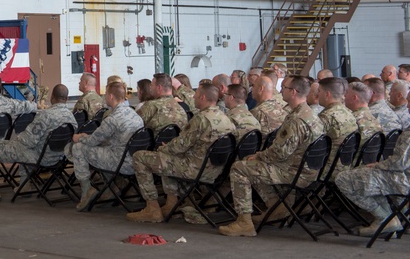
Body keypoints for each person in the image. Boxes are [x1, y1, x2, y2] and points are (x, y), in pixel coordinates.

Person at [218, 75, 325, 237]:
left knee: (240, 167)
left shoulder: (296, 119)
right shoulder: (309, 114)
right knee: (253, 165)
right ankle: (278, 208)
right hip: (309, 169)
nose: (280, 90)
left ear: (294, 92)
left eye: (284, 88)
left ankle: (244, 222)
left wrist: (259, 155)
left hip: (296, 172)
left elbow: (279, 153)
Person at [127, 82, 235, 223]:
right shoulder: (226, 118)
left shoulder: (201, 119)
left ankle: (152, 208)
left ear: (202, 97)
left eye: (196, 95)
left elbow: (180, 146)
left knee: (140, 157)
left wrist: (162, 148)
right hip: (215, 170)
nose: (194, 98)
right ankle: (172, 204)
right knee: (166, 158)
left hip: (194, 169)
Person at [0, 84, 75, 203]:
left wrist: (17, 139)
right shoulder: (71, 117)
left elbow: (27, 141)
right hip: (58, 158)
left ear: (52, 98)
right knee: (26, 148)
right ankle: (25, 186)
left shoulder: (46, 115)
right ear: (66, 99)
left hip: (40, 158)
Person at [68, 80, 145, 211]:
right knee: (101, 149)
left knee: (78, 148)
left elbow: (93, 141)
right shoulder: (134, 115)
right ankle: (111, 188)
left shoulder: (112, 119)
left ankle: (87, 189)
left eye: (105, 94)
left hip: (120, 162)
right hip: (135, 160)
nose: (104, 97)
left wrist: (80, 137)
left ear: (110, 96)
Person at [335, 129, 410, 236]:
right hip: (403, 179)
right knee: (366, 176)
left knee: (343, 178)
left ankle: (384, 219)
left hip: (404, 181)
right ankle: (391, 221)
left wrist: (378, 165)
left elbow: (399, 164)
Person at [316, 77, 358, 179]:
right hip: (346, 166)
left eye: (319, 91)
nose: (317, 95)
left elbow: (311, 144)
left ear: (327, 94)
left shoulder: (327, 117)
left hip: (328, 169)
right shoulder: (350, 113)